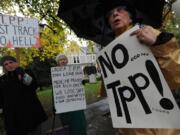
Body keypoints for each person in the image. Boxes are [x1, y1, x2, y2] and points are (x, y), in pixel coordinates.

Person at [102, 0, 180, 135]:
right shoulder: (108, 55)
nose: (114, 13)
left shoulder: (150, 34)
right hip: (129, 128)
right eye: (110, 14)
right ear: (108, 23)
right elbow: (109, 93)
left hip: (161, 126)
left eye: (120, 9)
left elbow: (176, 76)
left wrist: (157, 43)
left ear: (131, 15)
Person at [0, 56, 48, 135]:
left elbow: (33, 86)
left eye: (11, 62)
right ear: (4, 67)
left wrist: (22, 74)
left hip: (31, 111)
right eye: (6, 64)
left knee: (36, 132)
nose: (9, 65)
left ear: (15, 62)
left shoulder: (26, 72)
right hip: (15, 116)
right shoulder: (2, 79)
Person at [55, 54, 87, 135]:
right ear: (58, 62)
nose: (63, 61)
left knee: (79, 124)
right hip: (64, 105)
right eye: (60, 60)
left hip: (76, 104)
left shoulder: (74, 71)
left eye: (64, 59)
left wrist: (81, 82)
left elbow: (78, 84)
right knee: (68, 126)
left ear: (67, 61)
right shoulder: (55, 73)